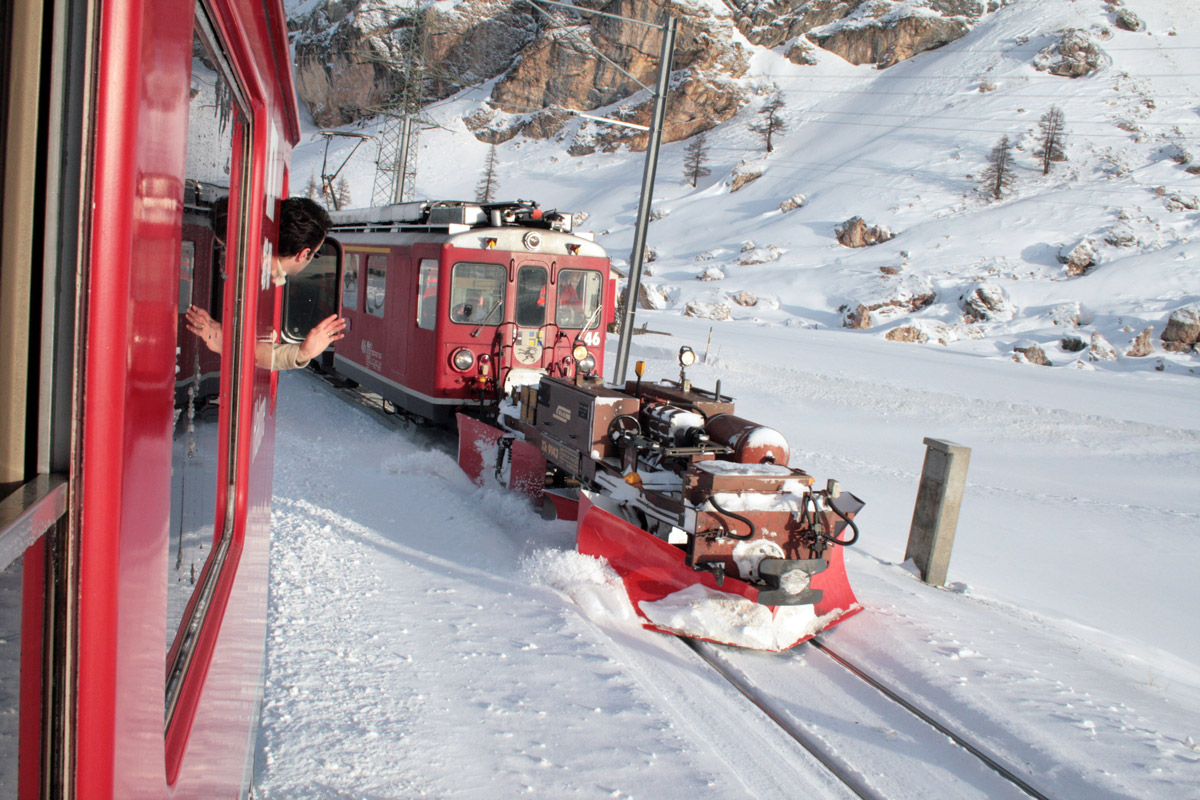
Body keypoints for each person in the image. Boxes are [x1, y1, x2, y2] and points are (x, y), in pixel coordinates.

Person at [186, 196, 346, 370]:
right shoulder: (253, 279)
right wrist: (302, 354)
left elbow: (252, 349)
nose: (225, 257)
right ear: (303, 254)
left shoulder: (266, 277)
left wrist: (301, 354)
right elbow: (252, 352)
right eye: (316, 254)